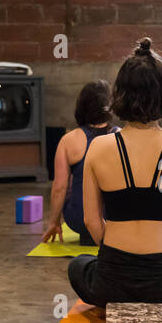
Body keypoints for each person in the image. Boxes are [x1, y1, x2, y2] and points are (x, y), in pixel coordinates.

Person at [68, 39, 162, 314]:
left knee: (77, 265)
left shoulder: (98, 147)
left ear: (119, 95)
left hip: (110, 283)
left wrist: (121, 264)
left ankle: (115, 302)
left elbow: (91, 221)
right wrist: (161, 264)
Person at [41, 80, 117, 247]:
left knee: (69, 186)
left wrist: (53, 223)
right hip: (116, 220)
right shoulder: (121, 137)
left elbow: (59, 187)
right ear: (111, 106)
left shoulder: (69, 140)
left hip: (79, 219)